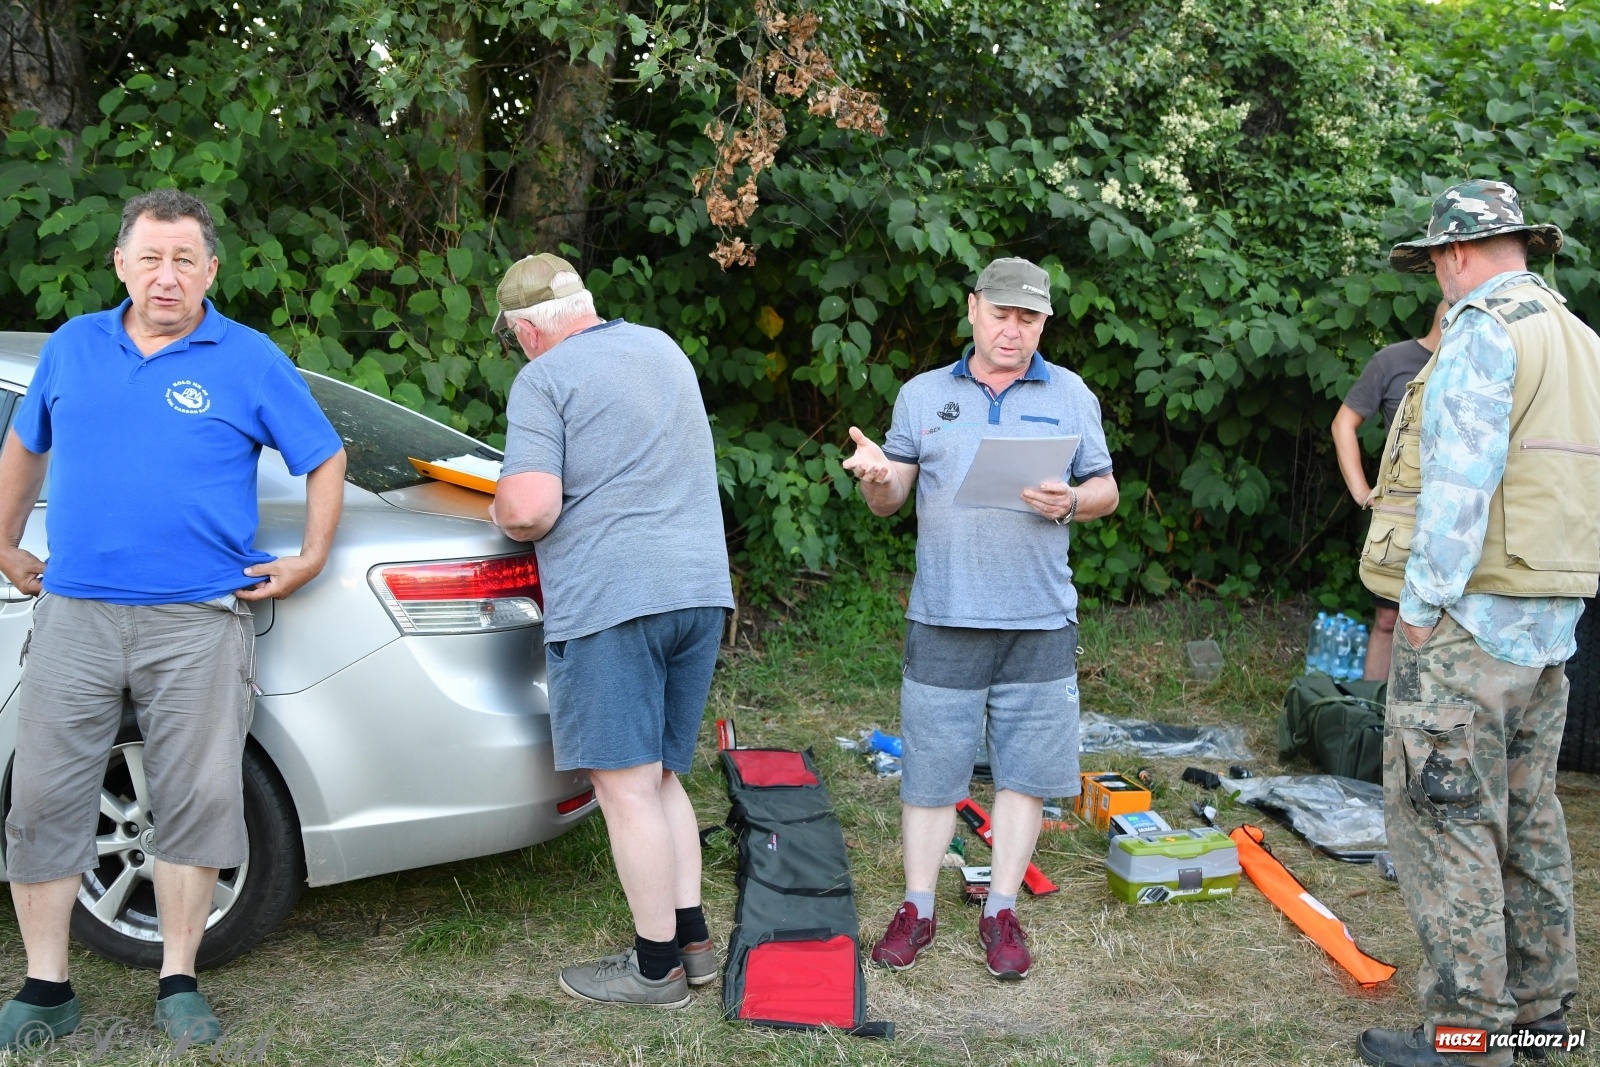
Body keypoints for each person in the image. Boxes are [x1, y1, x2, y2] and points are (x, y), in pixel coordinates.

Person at [0, 189, 347, 1049]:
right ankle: (47, 985)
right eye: (150, 258)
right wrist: (3, 541)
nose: (167, 276)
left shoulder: (249, 357)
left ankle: (179, 978)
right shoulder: (74, 348)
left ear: (210, 271)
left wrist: (308, 557)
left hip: (197, 620)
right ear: (120, 264)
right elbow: (26, 445)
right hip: (76, 613)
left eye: (184, 259)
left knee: (197, 799)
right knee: (43, 795)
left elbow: (325, 455)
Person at [1356, 179, 1598, 1067]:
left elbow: (1456, 491)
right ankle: (1542, 1015)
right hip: (1550, 624)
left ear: (1454, 255)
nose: (1436, 281)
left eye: (1433, 264)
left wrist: (1417, 609)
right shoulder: (1582, 341)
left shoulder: (1483, 333)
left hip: (1465, 626)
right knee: (1531, 815)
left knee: (1447, 818)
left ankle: (1469, 1038)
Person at [842, 256, 1118, 981]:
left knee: (1025, 774)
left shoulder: (1070, 393)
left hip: (1039, 619)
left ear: (1044, 323)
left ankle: (1001, 909)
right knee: (931, 771)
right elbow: (893, 492)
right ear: (973, 309)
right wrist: (878, 477)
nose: (1013, 330)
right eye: (1001, 313)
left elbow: (1106, 488)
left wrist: (1072, 501)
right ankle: (918, 905)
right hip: (944, 614)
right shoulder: (923, 395)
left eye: (1029, 318)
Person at [489, 253, 733, 1008]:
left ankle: (653, 968)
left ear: (529, 329)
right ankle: (693, 944)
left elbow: (530, 508)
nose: (517, 351)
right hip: (698, 591)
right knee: (661, 774)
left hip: (613, 598)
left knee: (623, 788)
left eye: (514, 339)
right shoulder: (661, 346)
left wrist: (498, 506)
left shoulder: (544, 378)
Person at [1332, 299, 1447, 681]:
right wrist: (1362, 491)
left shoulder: (1478, 364)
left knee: (1447, 627)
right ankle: (1371, 715)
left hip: (1455, 519)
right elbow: (1343, 424)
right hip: (1399, 519)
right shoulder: (1392, 361)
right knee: (1387, 618)